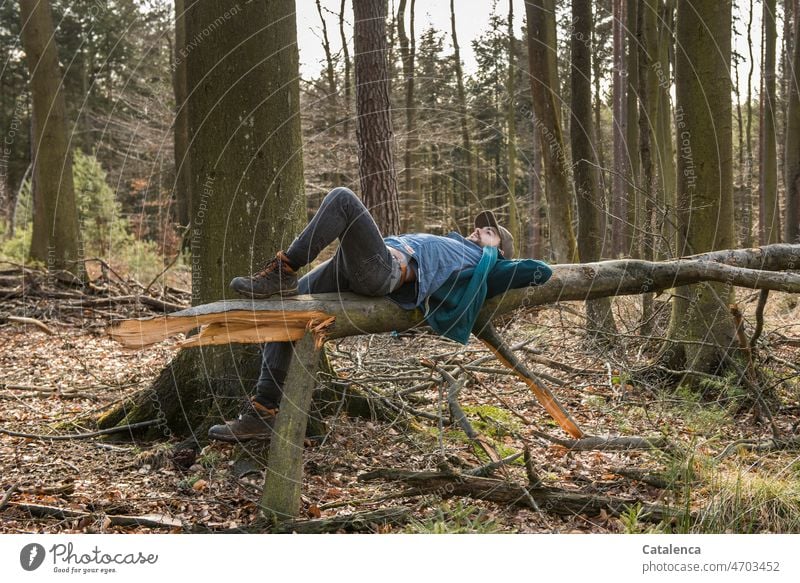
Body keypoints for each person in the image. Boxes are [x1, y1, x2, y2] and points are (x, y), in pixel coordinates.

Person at [208, 186, 552, 442]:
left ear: (498, 250)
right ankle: (262, 412)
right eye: (482, 227)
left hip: (381, 272)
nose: (480, 229)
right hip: (351, 264)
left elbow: (539, 270)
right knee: (284, 311)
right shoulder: (457, 245)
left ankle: (284, 267)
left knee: (343, 198)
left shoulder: (482, 263)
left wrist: (496, 257)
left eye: (489, 232)